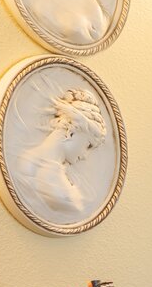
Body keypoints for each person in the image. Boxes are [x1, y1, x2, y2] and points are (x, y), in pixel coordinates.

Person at [13, 87, 109, 220]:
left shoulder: (36, 164)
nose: (85, 155)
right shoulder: (41, 173)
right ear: (71, 132)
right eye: (88, 145)